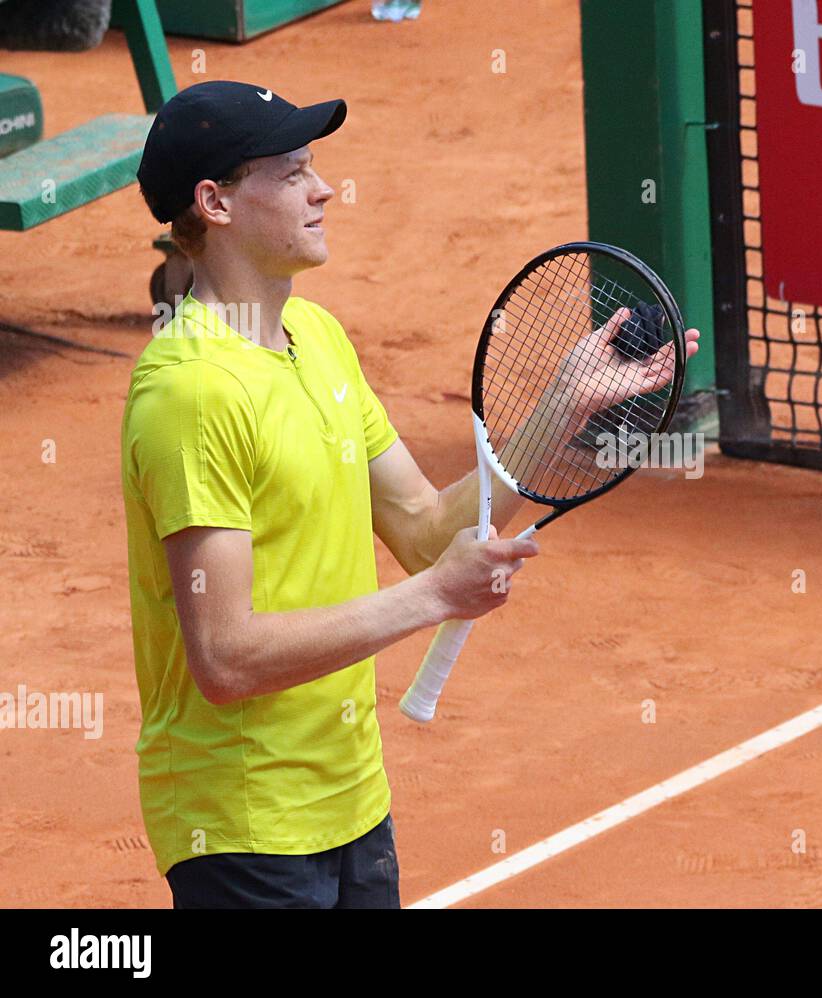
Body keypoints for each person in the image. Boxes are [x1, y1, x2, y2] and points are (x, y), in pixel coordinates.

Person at [123, 80, 698, 908]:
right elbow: (225, 657)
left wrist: (560, 408)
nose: (322, 189)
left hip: (352, 798)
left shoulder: (314, 339)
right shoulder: (192, 394)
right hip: (242, 825)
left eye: (313, 166)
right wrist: (432, 598)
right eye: (290, 174)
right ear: (213, 202)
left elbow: (427, 529)